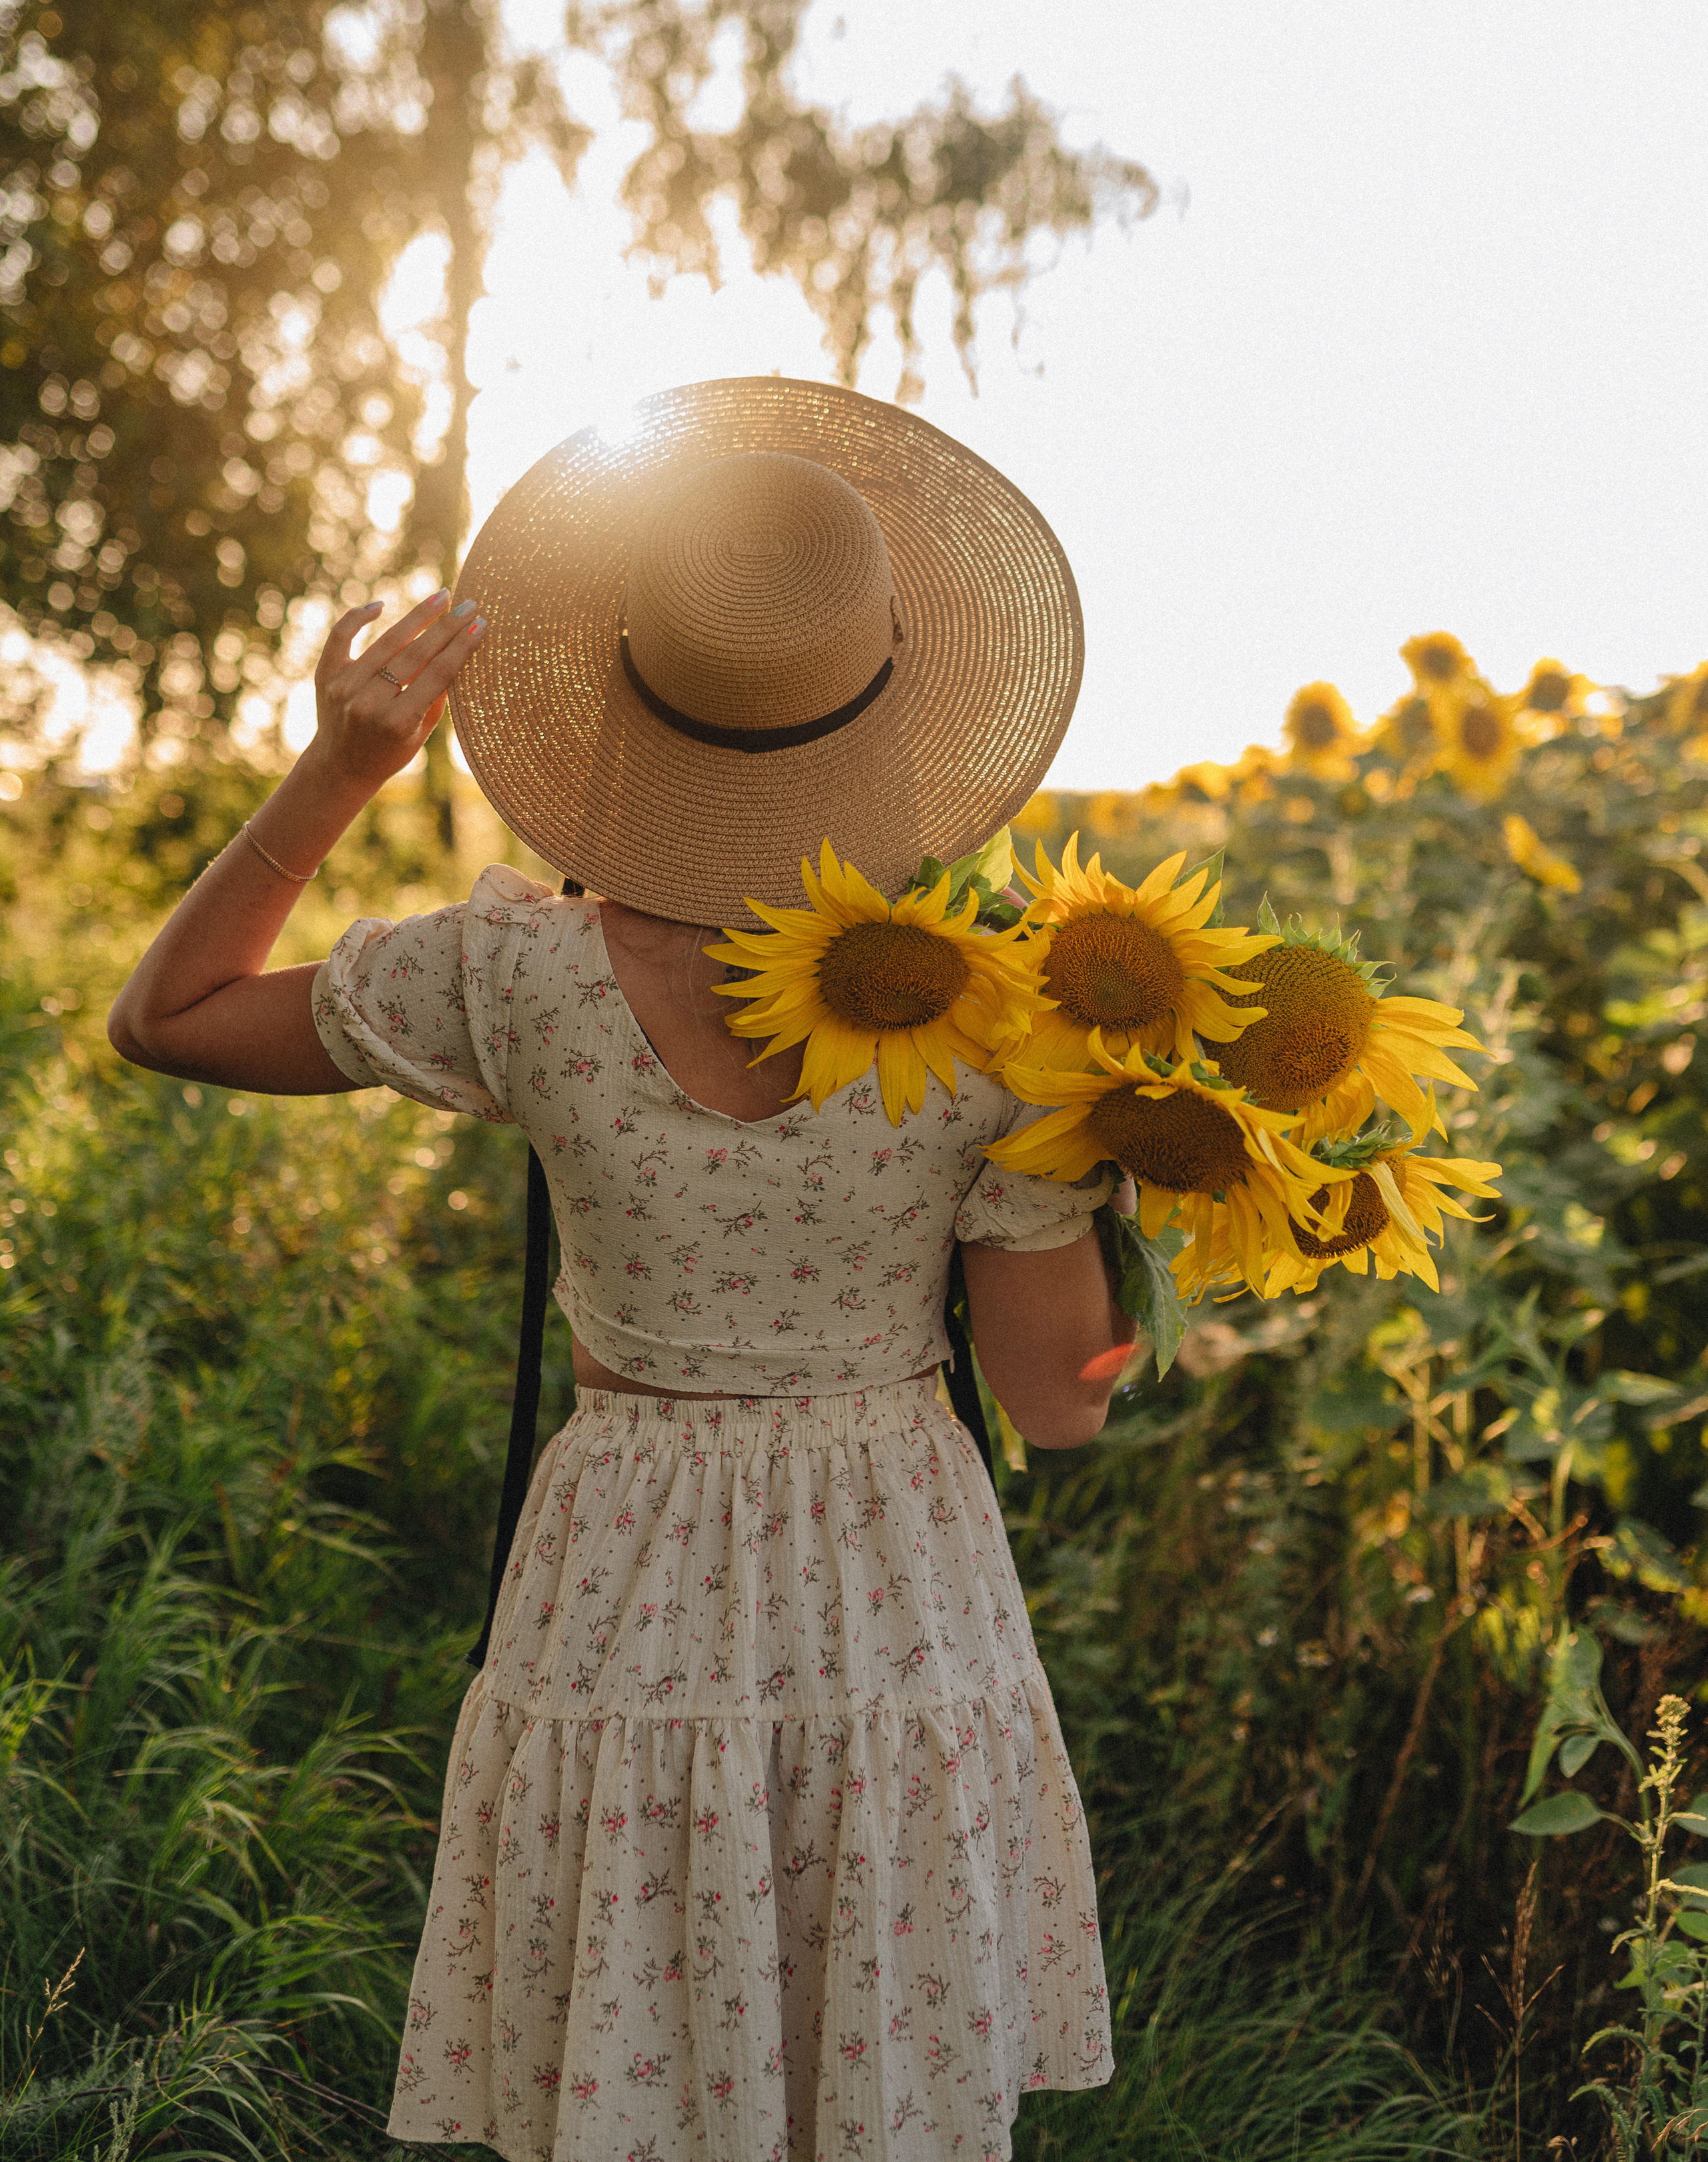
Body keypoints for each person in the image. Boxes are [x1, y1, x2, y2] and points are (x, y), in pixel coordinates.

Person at [109, 377, 1134, 2162]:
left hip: (625, 1560)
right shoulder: (1008, 1033)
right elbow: (1060, 1408)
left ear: (634, 685)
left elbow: (167, 1017)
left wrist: (346, 765)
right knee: (866, 2032)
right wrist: (1141, 1181)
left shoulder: (519, 980)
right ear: (892, 690)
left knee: (647, 2036)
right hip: (893, 1574)